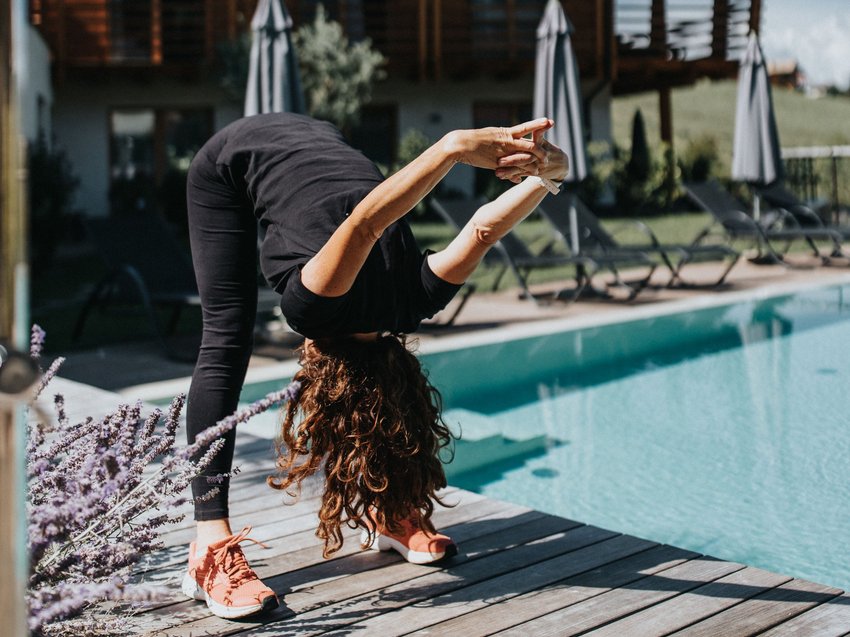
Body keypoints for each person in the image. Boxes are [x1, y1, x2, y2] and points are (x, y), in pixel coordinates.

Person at [181, 112, 568, 619]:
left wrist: (546, 176)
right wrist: (521, 167)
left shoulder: (324, 307)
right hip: (227, 165)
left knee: (233, 335)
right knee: (225, 338)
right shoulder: (400, 300)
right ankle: (208, 546)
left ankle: (386, 510)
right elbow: (388, 226)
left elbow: (468, 229)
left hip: (316, 138)